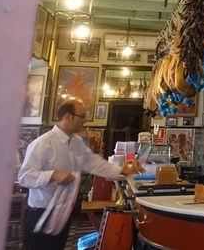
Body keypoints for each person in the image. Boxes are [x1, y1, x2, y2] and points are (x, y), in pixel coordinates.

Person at [18, 100, 143, 250]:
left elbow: (94, 163)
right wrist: (53, 175)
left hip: (63, 213)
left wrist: (123, 171)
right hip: (41, 214)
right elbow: (24, 177)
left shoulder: (76, 142)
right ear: (68, 116)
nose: (84, 121)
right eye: (82, 116)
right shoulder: (43, 143)